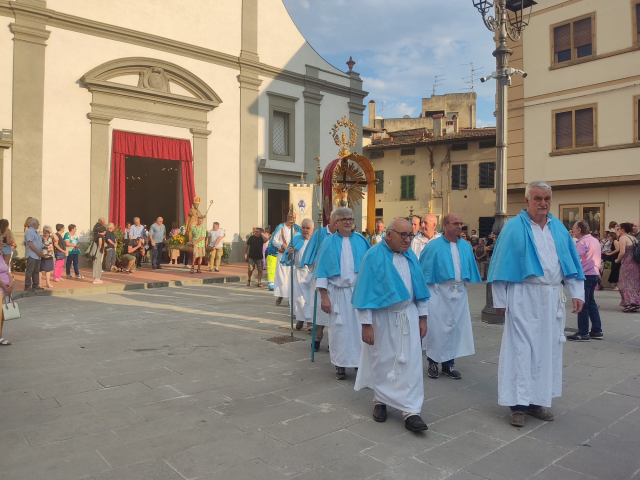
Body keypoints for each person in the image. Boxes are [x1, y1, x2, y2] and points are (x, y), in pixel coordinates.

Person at [488, 181, 584, 428]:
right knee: (521, 348)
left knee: (547, 349)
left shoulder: (559, 229)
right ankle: (517, 405)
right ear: (527, 201)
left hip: (551, 297)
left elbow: (570, 264)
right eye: (537, 198)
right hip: (523, 295)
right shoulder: (513, 228)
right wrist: (499, 300)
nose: (543, 203)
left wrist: (578, 293)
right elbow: (500, 265)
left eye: (547, 199)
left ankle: (537, 401)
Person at [353, 218, 430, 432]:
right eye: (403, 235)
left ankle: (411, 411)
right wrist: (366, 324)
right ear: (388, 234)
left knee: (412, 364)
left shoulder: (410, 257)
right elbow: (365, 291)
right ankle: (380, 401)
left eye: (410, 235)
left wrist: (423, 317)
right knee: (383, 361)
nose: (407, 240)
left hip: (408, 315)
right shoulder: (373, 256)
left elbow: (420, 289)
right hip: (384, 318)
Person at [420, 213, 481, 380]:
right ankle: (433, 362)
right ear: (445, 225)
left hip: (458, 293)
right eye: (455, 223)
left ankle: (449, 364)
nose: (459, 226)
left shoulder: (466, 246)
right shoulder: (433, 247)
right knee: (437, 329)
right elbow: (424, 272)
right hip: (439, 293)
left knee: (455, 328)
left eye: (460, 223)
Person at [314, 207, 369, 380]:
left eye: (350, 219)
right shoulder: (328, 243)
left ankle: (360, 363)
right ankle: (340, 364)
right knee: (340, 331)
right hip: (337, 295)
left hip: (357, 293)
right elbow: (321, 272)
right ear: (335, 223)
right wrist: (324, 297)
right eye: (344, 219)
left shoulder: (361, 241)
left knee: (360, 329)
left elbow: (369, 270)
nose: (347, 222)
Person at [300, 210, 339, 351]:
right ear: (334, 221)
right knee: (319, 311)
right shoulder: (319, 235)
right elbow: (309, 259)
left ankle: (332, 342)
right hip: (320, 279)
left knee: (336, 313)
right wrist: (313, 263)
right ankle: (317, 339)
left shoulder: (345, 237)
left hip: (337, 282)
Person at [567, 220, 603, 340]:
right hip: (594, 273)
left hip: (585, 274)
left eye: (574, 228)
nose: (572, 231)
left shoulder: (582, 242)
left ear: (579, 230)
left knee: (583, 303)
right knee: (591, 302)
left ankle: (583, 332)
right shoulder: (594, 240)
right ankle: (597, 329)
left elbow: (575, 258)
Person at [282, 219, 315, 330]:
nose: (305, 230)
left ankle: (310, 322)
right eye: (303, 228)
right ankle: (301, 318)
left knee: (310, 298)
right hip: (299, 273)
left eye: (307, 228)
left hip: (311, 273)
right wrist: (290, 253)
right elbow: (288, 259)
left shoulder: (315, 241)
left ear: (312, 229)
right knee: (299, 299)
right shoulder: (295, 239)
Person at [270, 212, 301, 305]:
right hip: (282, 255)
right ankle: (281, 295)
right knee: (283, 277)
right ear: (287, 217)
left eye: (294, 217)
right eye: (291, 217)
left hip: (293, 256)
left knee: (292, 277)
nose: (293, 218)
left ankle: (290, 299)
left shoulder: (297, 229)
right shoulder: (280, 228)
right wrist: (282, 245)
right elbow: (274, 241)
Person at [615, 222, 640, 313]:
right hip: (635, 264)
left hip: (627, 263)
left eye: (619, 228)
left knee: (624, 284)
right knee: (634, 283)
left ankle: (630, 303)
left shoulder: (623, 238)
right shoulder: (633, 238)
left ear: (622, 229)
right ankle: (635, 302)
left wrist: (617, 260)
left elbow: (622, 252)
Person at [0, 236, 14, 346]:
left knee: (3, 315)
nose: (2, 243)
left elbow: (7, 271)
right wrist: (4, 286)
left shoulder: (1, 255)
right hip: (1, 288)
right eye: (0, 241)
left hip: (6, 288)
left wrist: (11, 282)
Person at [24, 218, 44, 291]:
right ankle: (27, 286)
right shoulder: (29, 232)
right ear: (33, 224)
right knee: (30, 270)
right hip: (32, 254)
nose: (39, 225)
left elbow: (39, 243)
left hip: (37, 255)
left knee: (36, 270)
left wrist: (41, 252)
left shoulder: (36, 232)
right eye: (38, 223)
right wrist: (38, 252)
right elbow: (30, 244)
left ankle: (35, 285)